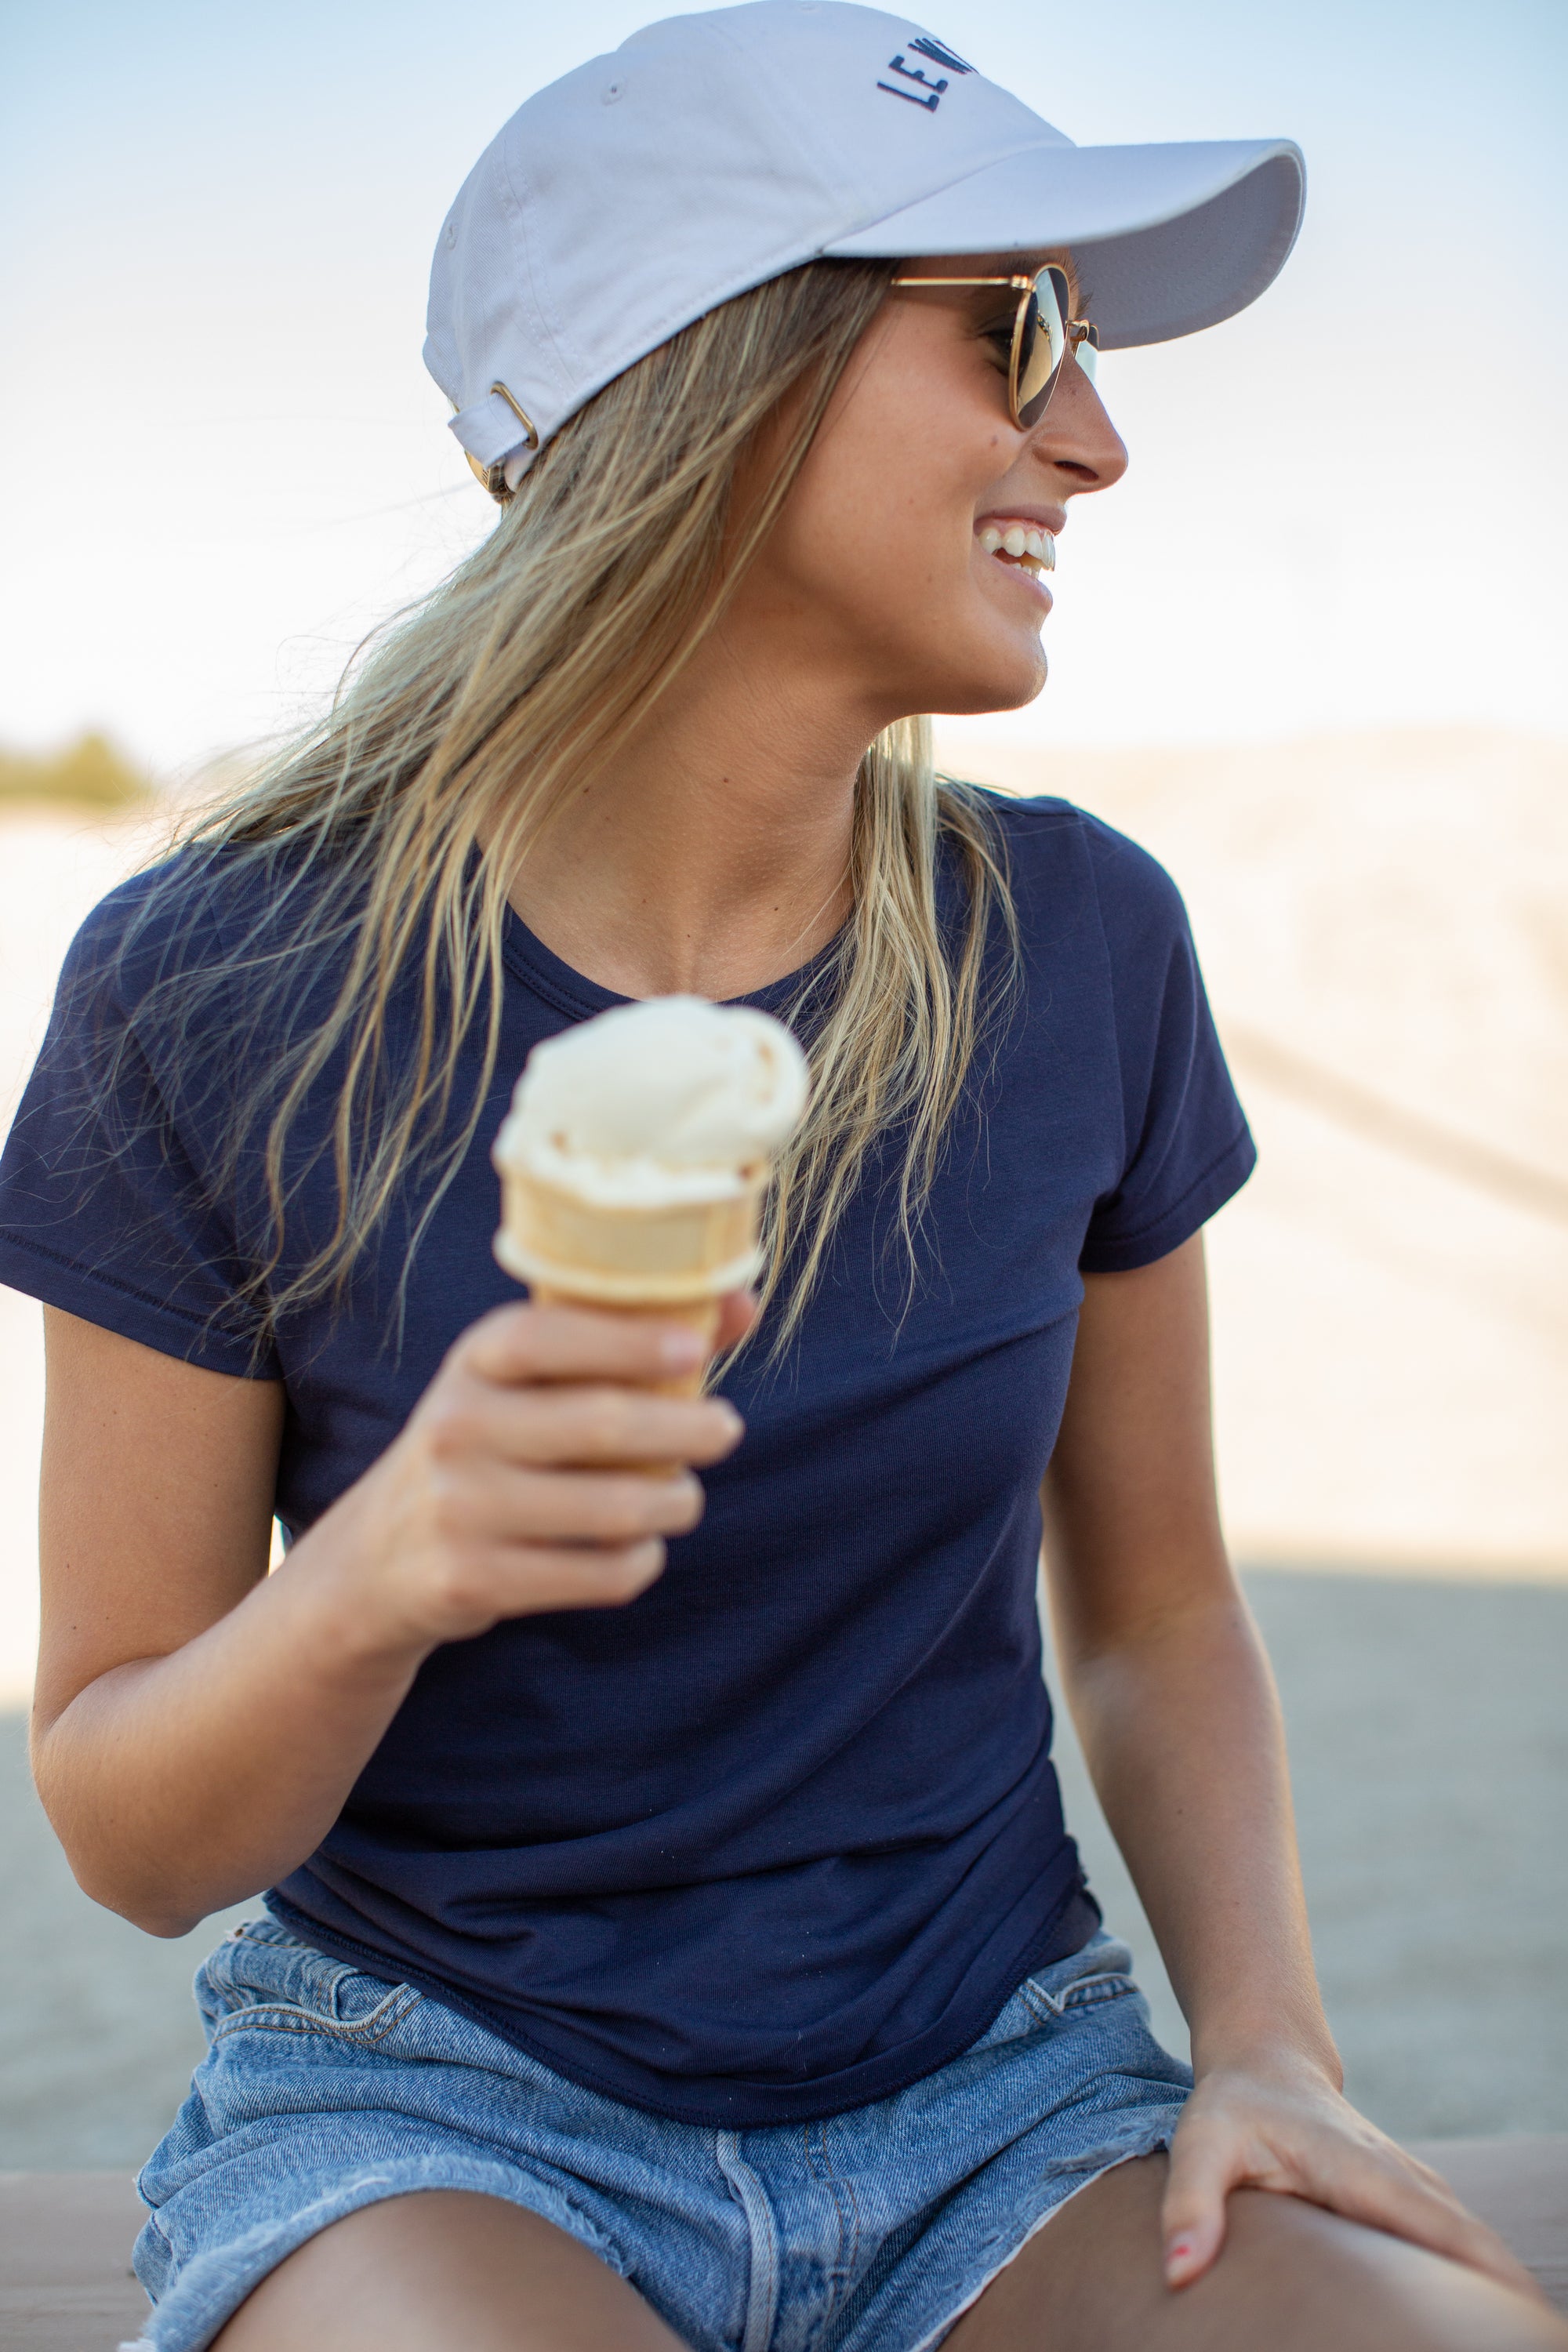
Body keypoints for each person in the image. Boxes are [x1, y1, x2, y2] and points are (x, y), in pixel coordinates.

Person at [3, 8, 1563, 2349]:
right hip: (443, 2110)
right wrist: (382, 1578)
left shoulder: (1085, 942)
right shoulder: (213, 984)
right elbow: (130, 1832)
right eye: (1019, 329)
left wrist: (1270, 2044)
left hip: (1006, 2093)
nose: (1100, 438)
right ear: (715, 382)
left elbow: (1154, 1614)